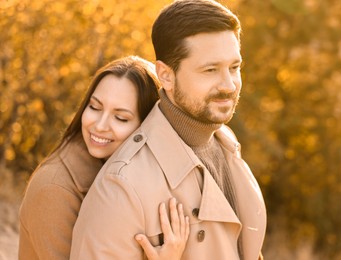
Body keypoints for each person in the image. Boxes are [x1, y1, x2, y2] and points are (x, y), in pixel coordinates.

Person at [71, 0, 267, 259]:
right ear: (165, 75)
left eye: (234, 67)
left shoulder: (226, 143)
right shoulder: (122, 187)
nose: (229, 85)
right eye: (210, 70)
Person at [18, 55, 190, 260]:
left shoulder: (144, 178)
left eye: (120, 118)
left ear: (149, 126)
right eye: (95, 107)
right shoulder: (54, 190)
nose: (99, 125)